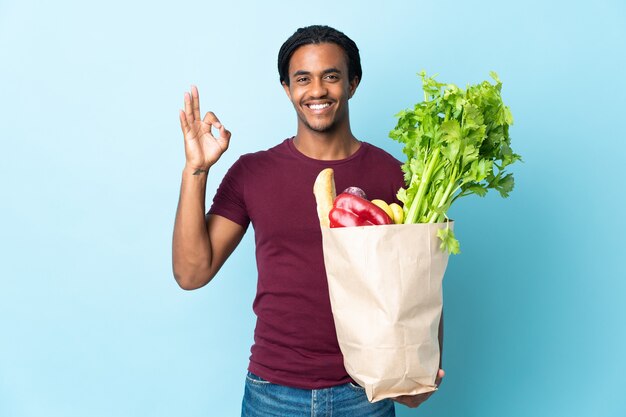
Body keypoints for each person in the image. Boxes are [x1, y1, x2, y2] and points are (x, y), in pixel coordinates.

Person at [172, 25, 444, 416]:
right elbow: (191, 273)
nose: (317, 90)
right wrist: (195, 170)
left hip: (366, 392)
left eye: (331, 76)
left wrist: (423, 371)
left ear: (353, 83)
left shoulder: (395, 175)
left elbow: (424, 279)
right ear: (287, 88)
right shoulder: (253, 172)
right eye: (303, 79)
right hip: (273, 394)